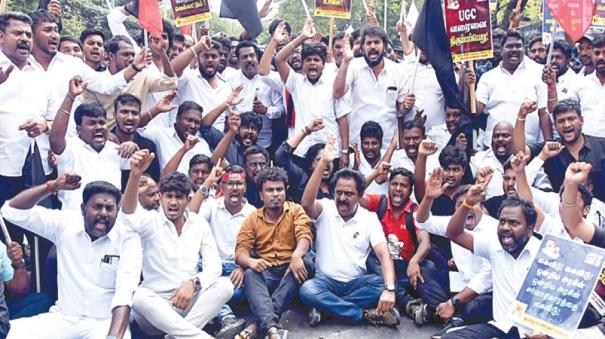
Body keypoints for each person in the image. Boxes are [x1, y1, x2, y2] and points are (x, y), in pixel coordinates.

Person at [1, 175, 142, 338]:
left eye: (110, 208)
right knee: (10, 334)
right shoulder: (66, 223)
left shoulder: (128, 238)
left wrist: (112, 337)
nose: (103, 213)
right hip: (63, 319)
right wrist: (52, 186)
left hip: (104, 323)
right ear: (82, 209)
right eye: (97, 206)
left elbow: (124, 294)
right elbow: (11, 211)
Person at [121, 150, 233, 339]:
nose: (173, 202)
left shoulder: (198, 223)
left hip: (189, 304)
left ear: (188, 200)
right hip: (155, 311)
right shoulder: (150, 221)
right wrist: (135, 174)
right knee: (139, 297)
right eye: (169, 196)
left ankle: (177, 336)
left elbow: (213, 266)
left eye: (179, 197)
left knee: (225, 285)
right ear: (161, 197)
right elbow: (128, 214)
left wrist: (194, 283)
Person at [299, 139, 400, 327]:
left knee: (379, 285)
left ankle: (328, 311)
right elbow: (306, 204)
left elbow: (383, 255)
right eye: (338, 193)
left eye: (349, 194)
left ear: (360, 195)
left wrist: (390, 289)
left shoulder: (369, 218)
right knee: (307, 290)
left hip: (357, 284)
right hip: (325, 283)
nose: (342, 198)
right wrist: (322, 164)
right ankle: (362, 314)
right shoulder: (326, 209)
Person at [440, 185, 542, 339]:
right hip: (500, 327)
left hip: (533, 333)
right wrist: (467, 204)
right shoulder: (493, 245)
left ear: (530, 229)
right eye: (502, 222)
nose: (505, 228)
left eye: (514, 223)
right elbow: (454, 233)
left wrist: (547, 334)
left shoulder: (545, 255)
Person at [362, 167, 448, 326]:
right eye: (394, 184)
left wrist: (414, 261)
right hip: (381, 266)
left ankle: (399, 297)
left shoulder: (415, 211)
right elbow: (357, 195)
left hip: (405, 268)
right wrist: (375, 173)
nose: (398, 189)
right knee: (370, 261)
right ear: (388, 185)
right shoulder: (379, 203)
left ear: (410, 190)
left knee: (428, 266)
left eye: (403, 185)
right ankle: (410, 304)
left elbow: (425, 242)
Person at [234, 167, 313, 339]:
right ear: (261, 195)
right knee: (249, 273)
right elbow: (241, 251)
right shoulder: (252, 219)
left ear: (285, 191)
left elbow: (305, 235)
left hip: (291, 270)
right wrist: (251, 262)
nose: (275, 194)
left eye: (279, 189)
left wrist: (297, 255)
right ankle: (271, 327)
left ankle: (260, 326)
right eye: (270, 190)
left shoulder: (295, 210)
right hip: (267, 271)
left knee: (306, 264)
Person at [49, 77, 135, 210]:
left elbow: (140, 163)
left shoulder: (115, 149)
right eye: (91, 123)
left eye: (102, 122)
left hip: (111, 221)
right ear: (78, 129)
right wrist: (70, 96)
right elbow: (55, 139)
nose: (99, 127)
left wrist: (133, 146)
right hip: (76, 220)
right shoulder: (71, 148)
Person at [274, 18, 350, 166]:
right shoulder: (295, 83)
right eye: (308, 60)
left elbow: (342, 120)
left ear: (323, 64)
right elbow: (279, 59)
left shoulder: (334, 85)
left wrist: (345, 152)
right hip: (302, 152)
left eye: (316, 60)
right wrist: (302, 37)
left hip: (330, 153)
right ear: (303, 64)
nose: (313, 63)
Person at [196, 165, 256, 338]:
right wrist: (208, 181)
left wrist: (244, 267)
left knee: (230, 292)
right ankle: (227, 317)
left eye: (239, 183)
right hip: (209, 265)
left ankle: (211, 317)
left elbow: (259, 250)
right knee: (189, 278)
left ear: (245, 187)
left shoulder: (253, 213)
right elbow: (191, 216)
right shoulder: (212, 205)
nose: (235, 188)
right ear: (222, 187)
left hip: (236, 270)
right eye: (229, 183)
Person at [333, 25, 415, 150]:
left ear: (385, 46)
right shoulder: (353, 66)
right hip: (358, 145)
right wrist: (345, 61)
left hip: (387, 145)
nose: (372, 47)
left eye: (377, 42)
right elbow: (337, 93)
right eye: (368, 43)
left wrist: (406, 105)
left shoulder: (398, 70)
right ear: (362, 47)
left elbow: (401, 110)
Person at [470, 31, 551, 147]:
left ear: (524, 49)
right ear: (501, 50)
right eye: (509, 46)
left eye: (518, 46)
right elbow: (476, 110)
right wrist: (469, 84)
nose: (514, 49)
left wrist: (548, 143)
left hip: (528, 147)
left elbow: (543, 112)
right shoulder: (488, 77)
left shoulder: (538, 72)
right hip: (494, 149)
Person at [515, 99, 605, 202]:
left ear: (581, 120)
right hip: (560, 214)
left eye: (571, 119)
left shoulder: (601, 146)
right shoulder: (549, 148)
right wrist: (521, 117)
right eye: (561, 121)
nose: (567, 125)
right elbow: (520, 153)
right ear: (555, 126)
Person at [80, 35, 177, 120]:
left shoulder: (143, 77)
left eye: (133, 55)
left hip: (136, 134)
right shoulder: (97, 82)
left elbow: (171, 83)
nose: (131, 59)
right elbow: (90, 115)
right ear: (111, 55)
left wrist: (162, 51)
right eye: (126, 54)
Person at [226, 40, 284, 149]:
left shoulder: (269, 80)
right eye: (244, 57)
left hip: (263, 143)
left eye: (252, 56)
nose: (249, 59)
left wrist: (266, 110)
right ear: (238, 61)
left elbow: (281, 110)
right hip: (237, 142)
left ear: (257, 58)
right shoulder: (230, 79)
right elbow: (226, 109)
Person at [544, 36, 605, 138]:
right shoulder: (581, 83)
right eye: (597, 53)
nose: (601, 57)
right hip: (588, 147)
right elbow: (558, 111)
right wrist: (551, 85)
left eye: (604, 53)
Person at [172, 35, 233, 131]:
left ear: (219, 59)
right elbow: (173, 70)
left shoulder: (226, 86)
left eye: (214, 56)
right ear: (197, 58)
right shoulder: (188, 78)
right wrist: (198, 46)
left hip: (215, 143)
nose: (210, 60)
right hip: (186, 139)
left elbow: (227, 120)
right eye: (205, 56)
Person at [136, 101, 212, 173]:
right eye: (189, 120)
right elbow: (136, 127)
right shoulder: (161, 134)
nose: (193, 126)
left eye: (197, 122)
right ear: (177, 118)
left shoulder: (202, 144)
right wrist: (156, 110)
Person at [275, 119, 336, 202]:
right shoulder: (302, 179)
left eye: (328, 160)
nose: (325, 163)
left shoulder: (336, 183)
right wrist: (306, 130)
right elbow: (281, 156)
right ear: (310, 165)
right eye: (319, 160)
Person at [110, 94, 161, 186]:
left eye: (134, 113)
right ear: (114, 115)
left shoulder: (148, 145)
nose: (130, 117)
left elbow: (154, 180)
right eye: (124, 112)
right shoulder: (104, 141)